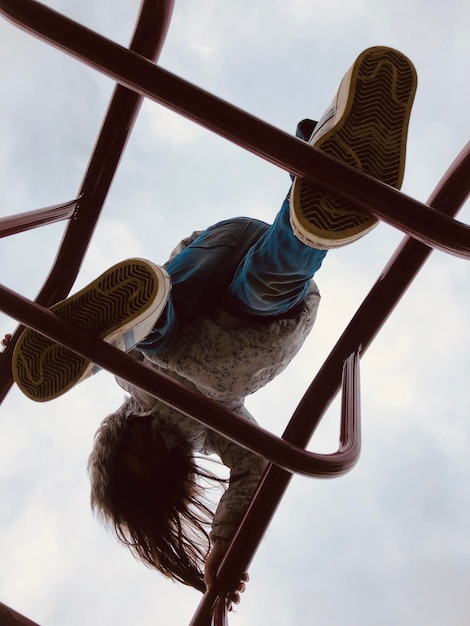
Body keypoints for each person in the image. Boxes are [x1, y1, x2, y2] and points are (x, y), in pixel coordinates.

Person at [11, 47, 417, 601]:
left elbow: (250, 472)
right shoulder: (204, 422)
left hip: (203, 294)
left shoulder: (145, 389)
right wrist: (224, 546)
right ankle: (320, 197)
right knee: (261, 282)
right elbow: (252, 474)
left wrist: (32, 343)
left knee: (168, 332)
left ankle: (144, 310)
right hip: (233, 290)